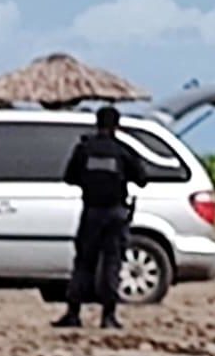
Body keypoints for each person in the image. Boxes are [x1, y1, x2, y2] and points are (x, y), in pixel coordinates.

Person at [54, 106, 148, 330]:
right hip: (115, 213)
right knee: (112, 264)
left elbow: (69, 177)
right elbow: (142, 178)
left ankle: (73, 313)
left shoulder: (84, 149)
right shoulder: (122, 151)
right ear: (117, 125)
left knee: (84, 263)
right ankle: (108, 316)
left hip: (92, 211)